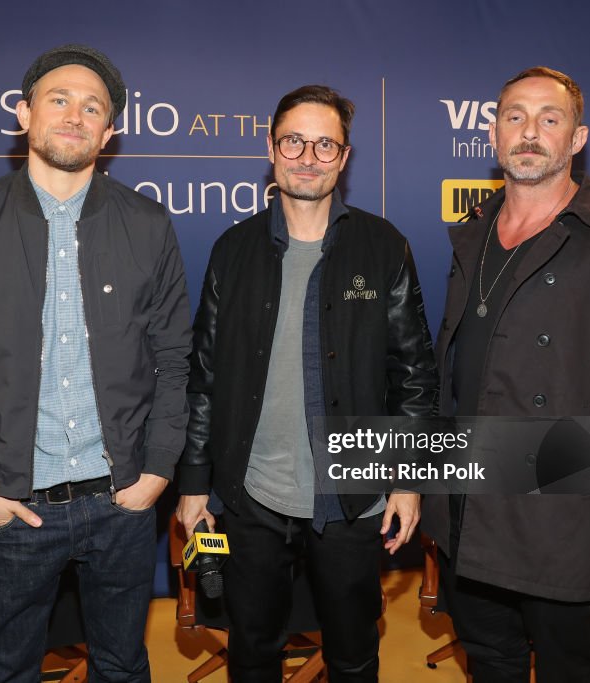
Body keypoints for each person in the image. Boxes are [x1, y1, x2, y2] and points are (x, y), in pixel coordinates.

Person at [0, 44, 191, 683]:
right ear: (23, 114)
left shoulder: (148, 225)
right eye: (59, 100)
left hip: (120, 502)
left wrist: (154, 472)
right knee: (7, 669)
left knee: (123, 666)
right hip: (11, 504)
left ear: (109, 131)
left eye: (92, 107)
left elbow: (176, 359)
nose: (75, 115)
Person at [421, 66, 590, 682]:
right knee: (489, 662)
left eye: (550, 119)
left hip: (565, 516)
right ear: (493, 134)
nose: (529, 132)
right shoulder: (474, 234)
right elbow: (456, 379)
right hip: (467, 511)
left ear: (577, 139)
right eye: (514, 116)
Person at [176, 84, 439, 682]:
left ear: (344, 159)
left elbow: (416, 376)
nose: (308, 156)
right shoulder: (232, 250)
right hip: (251, 498)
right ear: (272, 148)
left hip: (353, 497)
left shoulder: (383, 245)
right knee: (252, 653)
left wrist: (408, 481)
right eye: (294, 141)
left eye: (326, 145)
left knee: (352, 656)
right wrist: (194, 483)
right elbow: (205, 377)